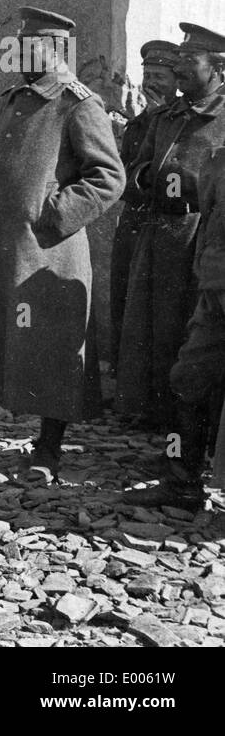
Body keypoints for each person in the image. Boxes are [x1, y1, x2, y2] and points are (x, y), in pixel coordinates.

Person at [0, 7, 125, 477]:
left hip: (47, 253)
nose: (16, 53)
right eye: (15, 45)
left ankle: (47, 451)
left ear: (55, 49)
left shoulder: (79, 103)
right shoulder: (9, 101)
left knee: (52, 347)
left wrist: (52, 215)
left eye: (26, 46)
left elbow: (108, 177)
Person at [125, 33, 225, 510]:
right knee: (175, 357)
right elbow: (136, 169)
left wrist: (187, 189)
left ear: (218, 68)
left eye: (191, 60)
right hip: (176, 245)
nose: (181, 67)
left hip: (201, 244)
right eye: (179, 58)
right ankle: (178, 469)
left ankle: (196, 467)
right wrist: (149, 181)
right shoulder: (167, 117)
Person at [110, 42, 180, 367]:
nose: (151, 82)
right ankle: (125, 383)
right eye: (147, 75)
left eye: (160, 76)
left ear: (176, 80)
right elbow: (119, 176)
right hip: (132, 222)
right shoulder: (137, 124)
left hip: (163, 225)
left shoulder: (179, 120)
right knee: (123, 299)